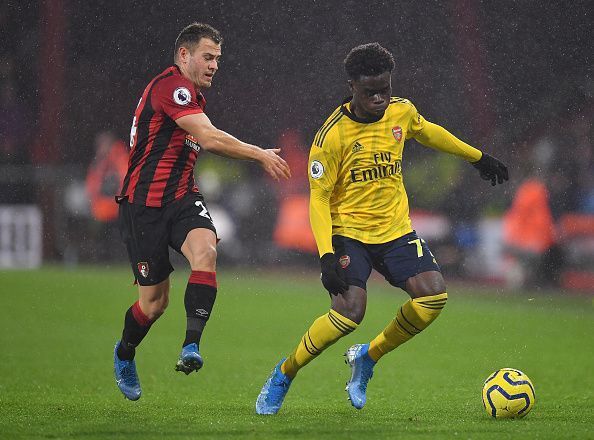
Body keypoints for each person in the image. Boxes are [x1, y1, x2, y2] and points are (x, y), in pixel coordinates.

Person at [255, 43, 508, 414]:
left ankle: (367, 359)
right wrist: (326, 255)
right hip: (349, 234)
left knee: (433, 297)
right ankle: (284, 372)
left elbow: (430, 132)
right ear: (352, 86)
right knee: (348, 314)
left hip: (395, 231)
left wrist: (478, 158)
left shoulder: (401, 112)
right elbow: (319, 200)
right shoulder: (332, 136)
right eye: (370, 91)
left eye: (384, 89)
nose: (379, 97)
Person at [114, 23, 290, 401]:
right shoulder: (171, 87)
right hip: (142, 206)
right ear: (183, 55)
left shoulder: (191, 96)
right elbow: (209, 138)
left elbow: (203, 138)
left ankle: (190, 346)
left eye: (218, 59)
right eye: (208, 57)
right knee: (154, 303)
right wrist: (259, 153)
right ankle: (125, 352)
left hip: (180, 198)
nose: (214, 65)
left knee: (206, 251)